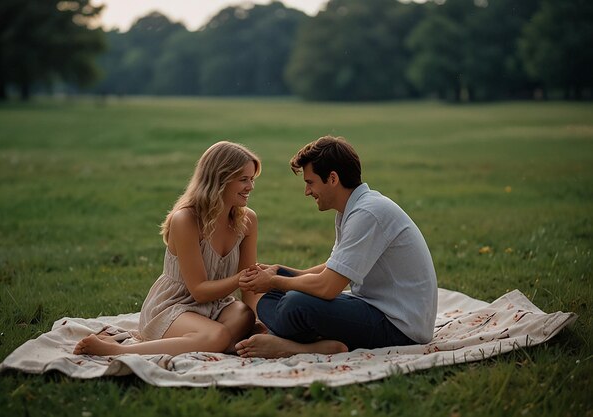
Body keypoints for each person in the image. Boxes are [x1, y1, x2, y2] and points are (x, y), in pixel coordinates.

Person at [236, 135, 437, 358]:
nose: (307, 192)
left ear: (332, 178)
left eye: (310, 182)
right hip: (375, 308)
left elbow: (328, 287)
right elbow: (331, 269)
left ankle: (293, 344)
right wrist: (279, 271)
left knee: (296, 303)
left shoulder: (367, 214)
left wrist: (273, 281)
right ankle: (309, 340)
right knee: (275, 295)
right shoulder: (353, 209)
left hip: (400, 328)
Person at [74, 141, 263, 356]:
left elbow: (250, 288)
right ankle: (118, 350)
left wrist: (259, 320)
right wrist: (240, 278)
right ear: (220, 179)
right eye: (243, 180)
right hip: (175, 306)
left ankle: (212, 343)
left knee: (245, 315)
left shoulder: (247, 219)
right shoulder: (186, 219)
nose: (250, 187)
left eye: (252, 179)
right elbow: (200, 291)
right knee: (216, 336)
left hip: (217, 306)